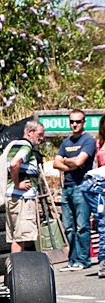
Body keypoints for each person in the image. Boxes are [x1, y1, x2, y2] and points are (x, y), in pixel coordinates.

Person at [53, 109, 96, 271]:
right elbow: (55, 163)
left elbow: (80, 161)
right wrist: (70, 164)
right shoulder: (66, 142)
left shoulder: (88, 140)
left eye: (78, 121)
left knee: (82, 226)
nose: (75, 124)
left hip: (82, 187)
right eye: (72, 122)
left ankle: (83, 260)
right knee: (68, 227)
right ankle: (73, 260)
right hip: (67, 188)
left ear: (84, 122)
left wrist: (66, 161)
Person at [3, 120, 45, 253]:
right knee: (21, 238)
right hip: (22, 198)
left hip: (12, 196)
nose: (42, 138)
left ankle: (15, 264)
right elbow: (14, 164)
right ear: (30, 132)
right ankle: (17, 265)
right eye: (40, 134)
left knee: (17, 237)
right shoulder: (26, 146)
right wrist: (18, 184)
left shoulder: (15, 145)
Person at [81, 115, 105, 277]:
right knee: (102, 223)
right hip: (97, 185)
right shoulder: (98, 143)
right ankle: (103, 262)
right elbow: (95, 165)